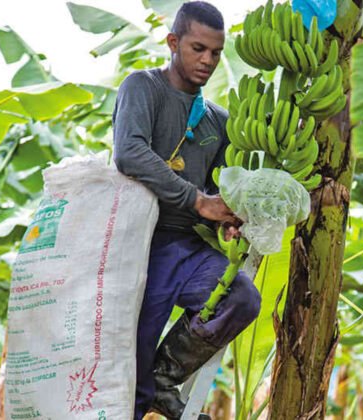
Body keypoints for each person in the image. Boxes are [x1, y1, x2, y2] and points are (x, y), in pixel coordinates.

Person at [112, 2, 261, 419]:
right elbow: (130, 153)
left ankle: (165, 376)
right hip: (140, 245)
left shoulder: (218, 120)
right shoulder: (143, 88)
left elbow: (218, 188)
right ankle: (146, 389)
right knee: (131, 369)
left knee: (241, 298)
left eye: (216, 52)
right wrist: (198, 200)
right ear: (173, 42)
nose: (208, 61)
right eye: (198, 48)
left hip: (188, 246)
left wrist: (227, 218)